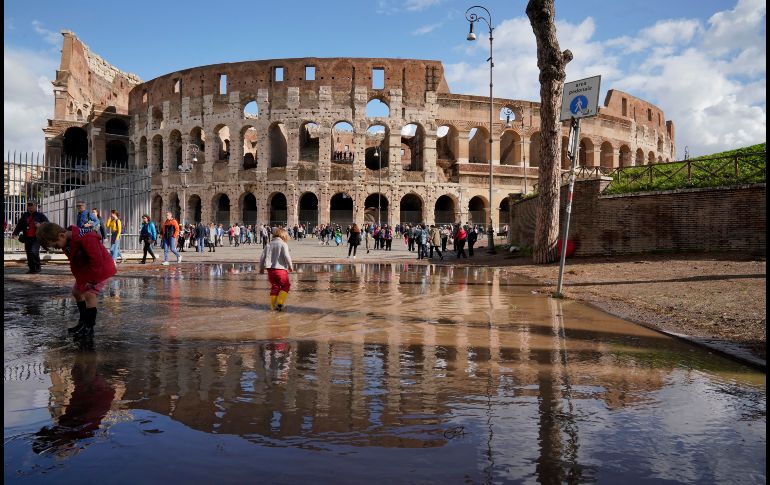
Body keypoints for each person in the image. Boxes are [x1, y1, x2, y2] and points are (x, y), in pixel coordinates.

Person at [36, 222, 117, 339]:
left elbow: (97, 261)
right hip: (86, 269)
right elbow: (75, 263)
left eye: (56, 245)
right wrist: (80, 279)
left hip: (101, 269)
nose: (57, 248)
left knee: (89, 294)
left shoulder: (87, 238)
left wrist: (92, 280)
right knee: (77, 292)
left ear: (61, 236)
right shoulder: (66, 243)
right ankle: (82, 323)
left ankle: (89, 328)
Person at [259, 228, 294, 311]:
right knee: (286, 285)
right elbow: (286, 256)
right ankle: (280, 303)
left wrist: (261, 268)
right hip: (281, 269)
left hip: (270, 270)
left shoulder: (268, 244)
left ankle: (272, 306)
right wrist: (290, 266)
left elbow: (262, 257)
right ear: (284, 235)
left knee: (275, 286)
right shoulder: (283, 244)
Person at [12, 201, 49, 274]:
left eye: (31, 205)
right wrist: (15, 233)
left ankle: (37, 267)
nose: (30, 206)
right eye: (28, 205)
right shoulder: (25, 215)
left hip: (36, 237)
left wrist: (40, 224)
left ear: (36, 206)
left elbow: (47, 223)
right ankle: (32, 269)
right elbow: (19, 225)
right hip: (27, 237)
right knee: (29, 253)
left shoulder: (40, 215)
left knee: (34, 252)